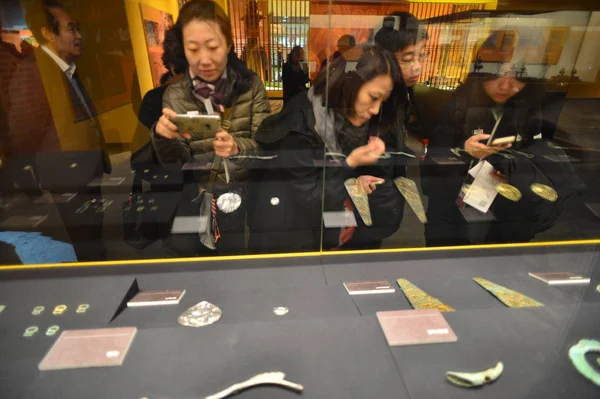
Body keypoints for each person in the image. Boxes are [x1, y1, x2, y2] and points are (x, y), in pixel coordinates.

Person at [248, 46, 408, 253]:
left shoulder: (351, 123)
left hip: (320, 229)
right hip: (287, 232)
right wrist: (350, 163)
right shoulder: (303, 122)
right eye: (372, 97)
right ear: (350, 85)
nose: (376, 109)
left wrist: (357, 178)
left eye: (382, 101)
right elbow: (311, 197)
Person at [424, 50, 585, 246]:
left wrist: (514, 168)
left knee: (499, 257)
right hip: (454, 202)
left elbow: (539, 153)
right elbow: (433, 160)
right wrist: (464, 150)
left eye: (518, 76)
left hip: (508, 204)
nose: (505, 85)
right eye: (495, 74)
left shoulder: (530, 109)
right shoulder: (457, 107)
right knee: (448, 254)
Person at [153, 0, 270, 256]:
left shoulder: (250, 86)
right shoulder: (175, 94)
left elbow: (266, 147)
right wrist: (164, 138)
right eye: (193, 49)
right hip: (203, 195)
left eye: (213, 47)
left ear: (228, 44)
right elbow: (175, 165)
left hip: (249, 194)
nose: (204, 60)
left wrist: (237, 147)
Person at [8, 0, 111, 261]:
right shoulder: (34, 73)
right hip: (66, 175)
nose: (79, 36)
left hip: (83, 170)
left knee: (92, 240)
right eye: (71, 29)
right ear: (48, 33)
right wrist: (36, 177)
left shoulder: (65, 70)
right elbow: (25, 132)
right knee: (82, 244)